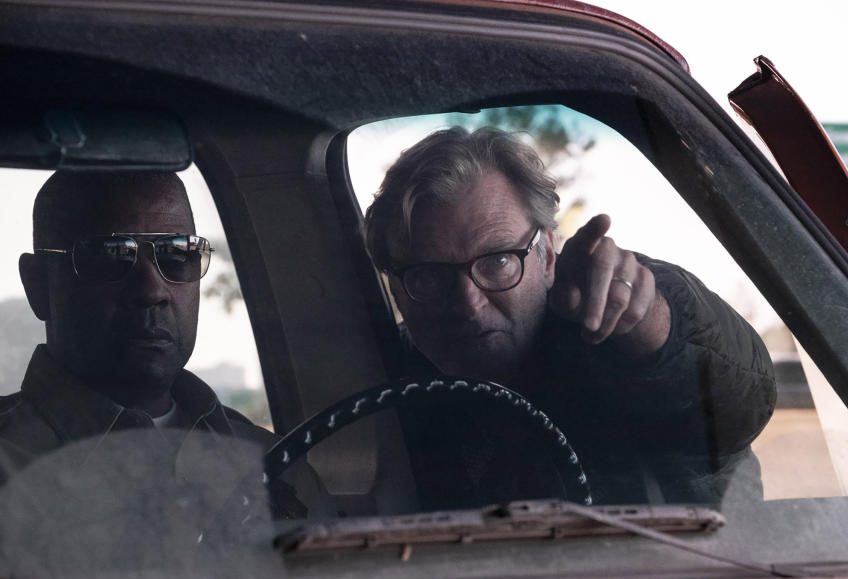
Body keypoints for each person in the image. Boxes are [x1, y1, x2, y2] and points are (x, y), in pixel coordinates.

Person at [363, 127, 777, 506]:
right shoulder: (378, 378)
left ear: (546, 255)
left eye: (499, 261)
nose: (469, 303)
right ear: (397, 286)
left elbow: (740, 405)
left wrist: (648, 323)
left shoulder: (613, 327)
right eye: (430, 276)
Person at [0, 171, 304, 519]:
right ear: (37, 284)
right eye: (110, 256)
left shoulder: (273, 459)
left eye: (178, 255)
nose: (151, 291)